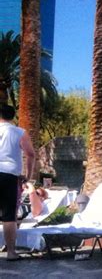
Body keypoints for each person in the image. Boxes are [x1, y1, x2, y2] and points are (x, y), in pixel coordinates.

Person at [0, 104, 35, 261]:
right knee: (9, 216)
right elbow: (30, 154)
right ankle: (11, 252)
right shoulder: (20, 132)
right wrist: (27, 176)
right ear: (12, 116)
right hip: (9, 175)